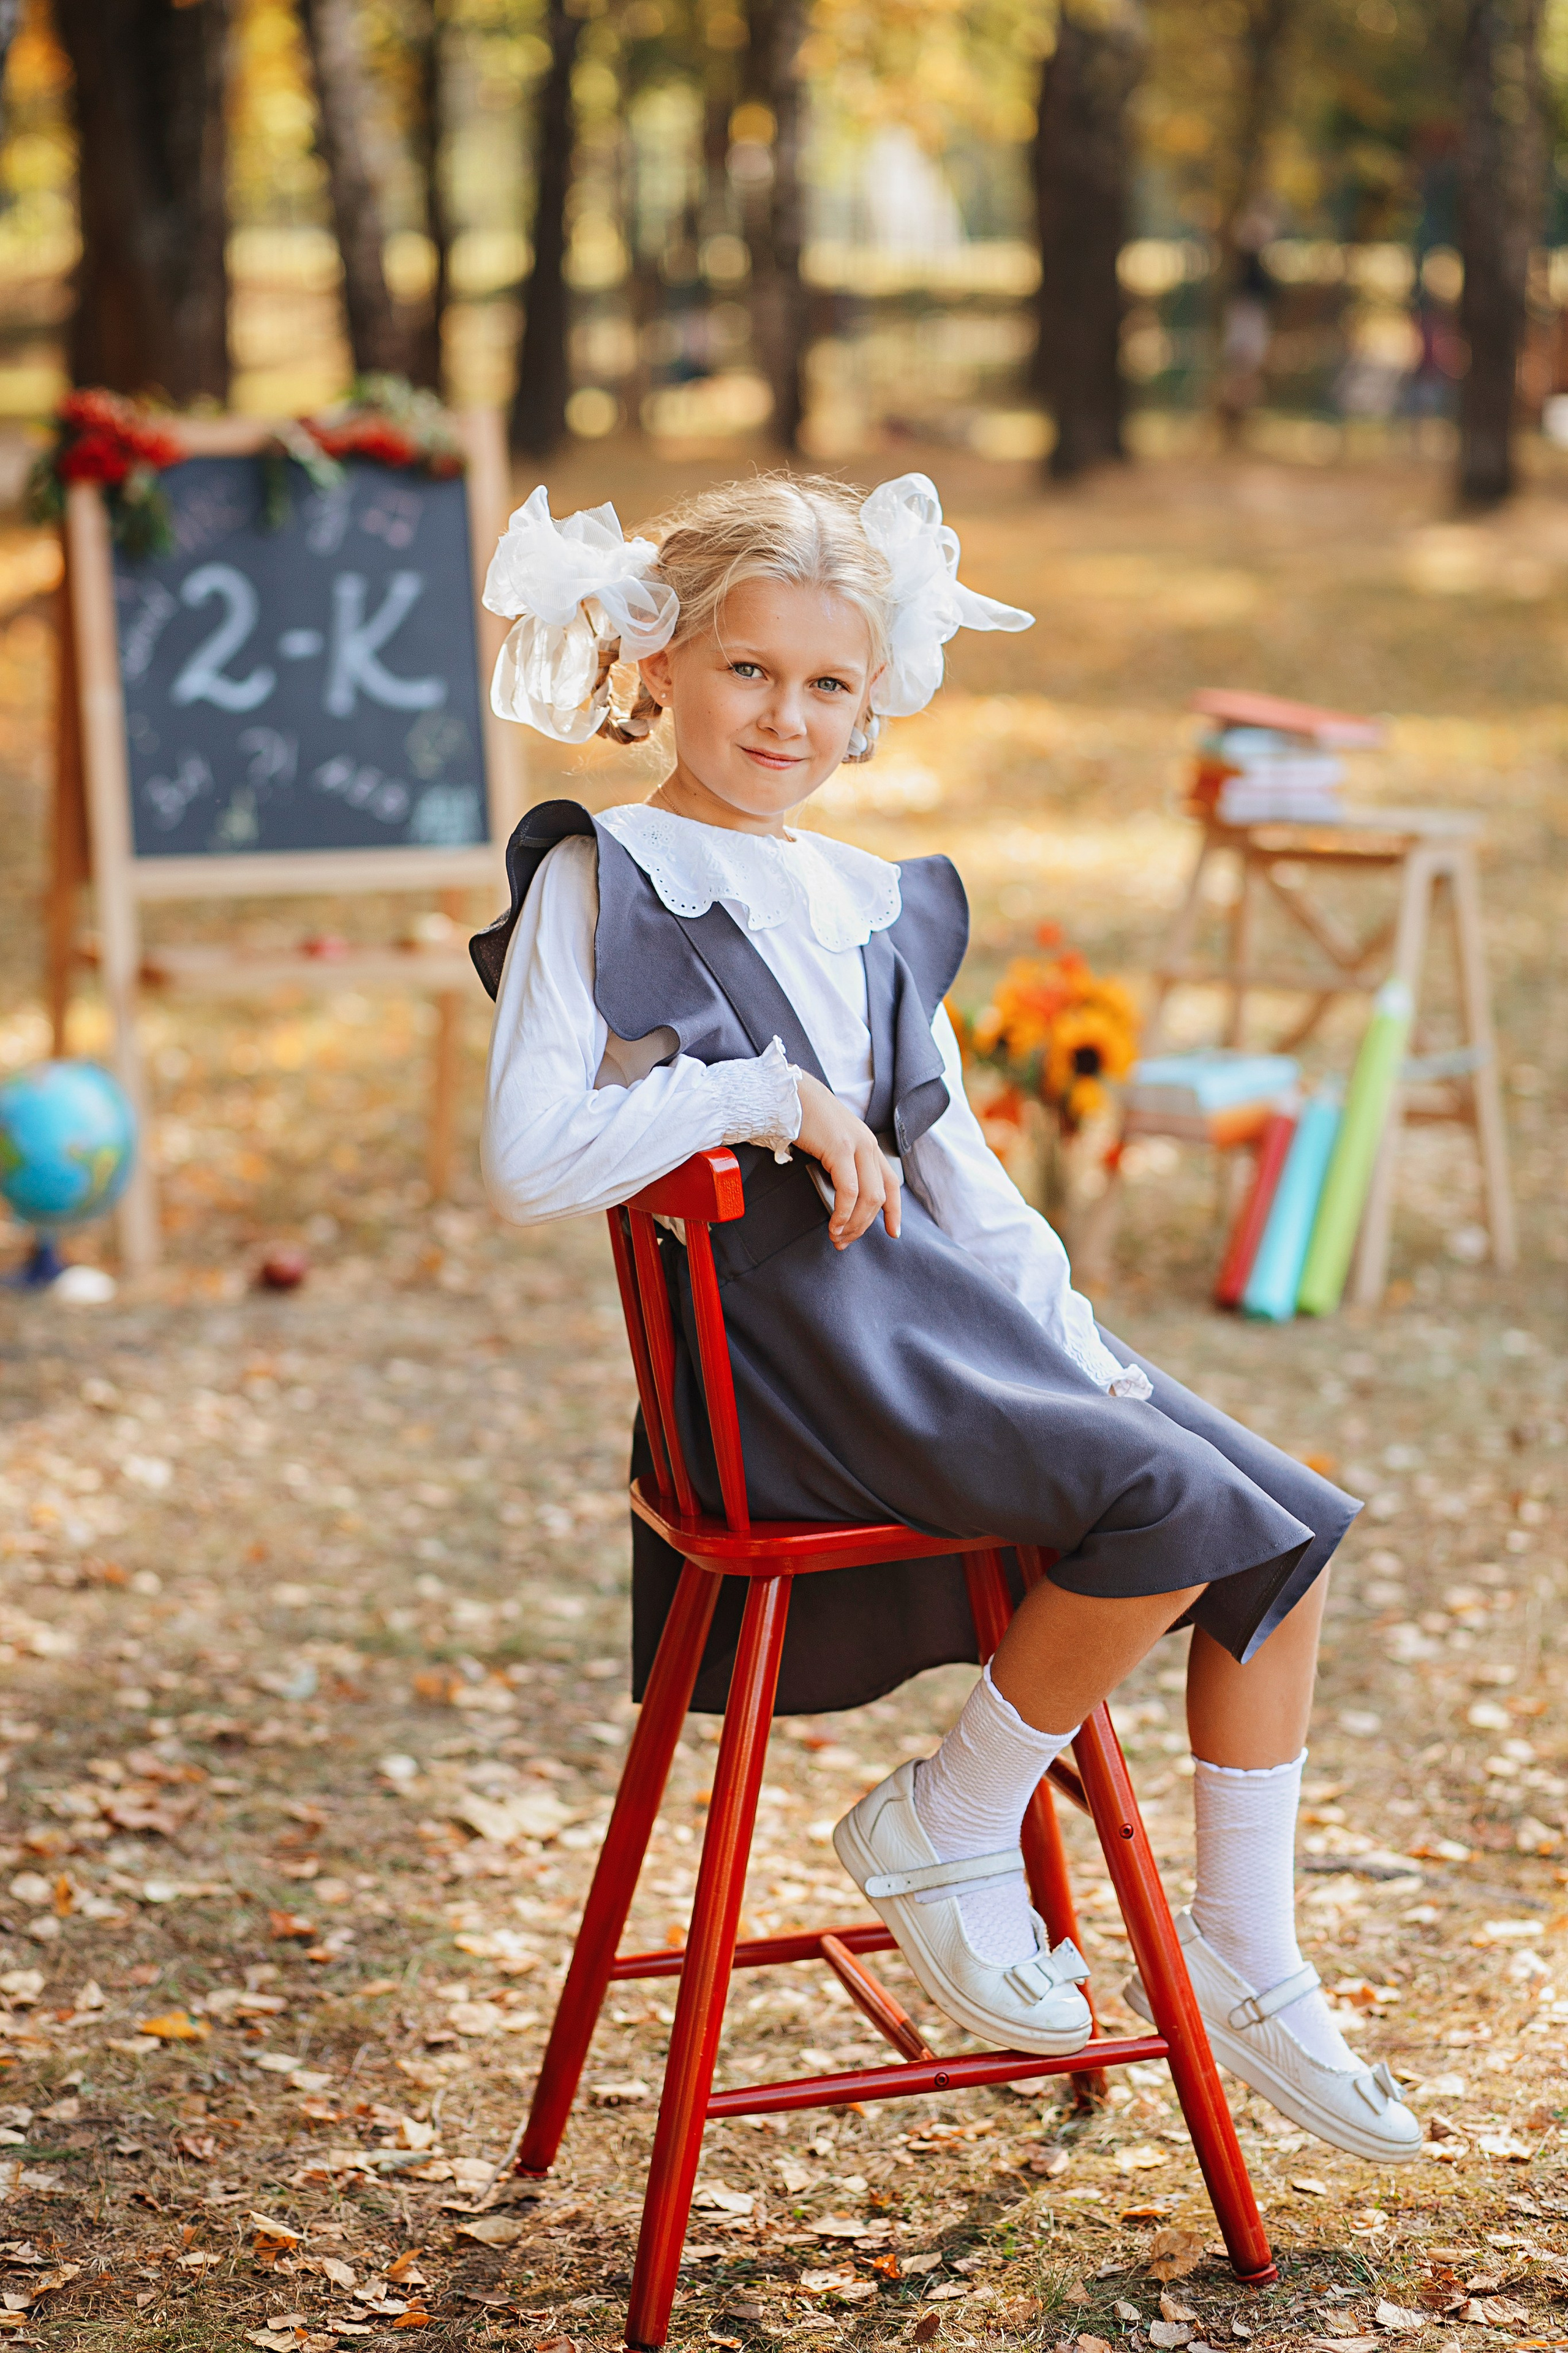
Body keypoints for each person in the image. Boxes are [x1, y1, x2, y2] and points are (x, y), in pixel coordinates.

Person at [471, 472, 1418, 2164]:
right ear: (659, 661)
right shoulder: (603, 878)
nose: (788, 714)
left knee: (1288, 1521)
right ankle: (950, 1811)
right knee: (1170, 1503)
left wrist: (1090, 1346)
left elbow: (966, 1185)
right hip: (787, 1373)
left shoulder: (876, 899)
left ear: (875, 700)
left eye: (829, 683)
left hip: (931, 1330)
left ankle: (1251, 1949)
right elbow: (531, 1154)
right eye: (750, 669)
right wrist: (757, 1096)